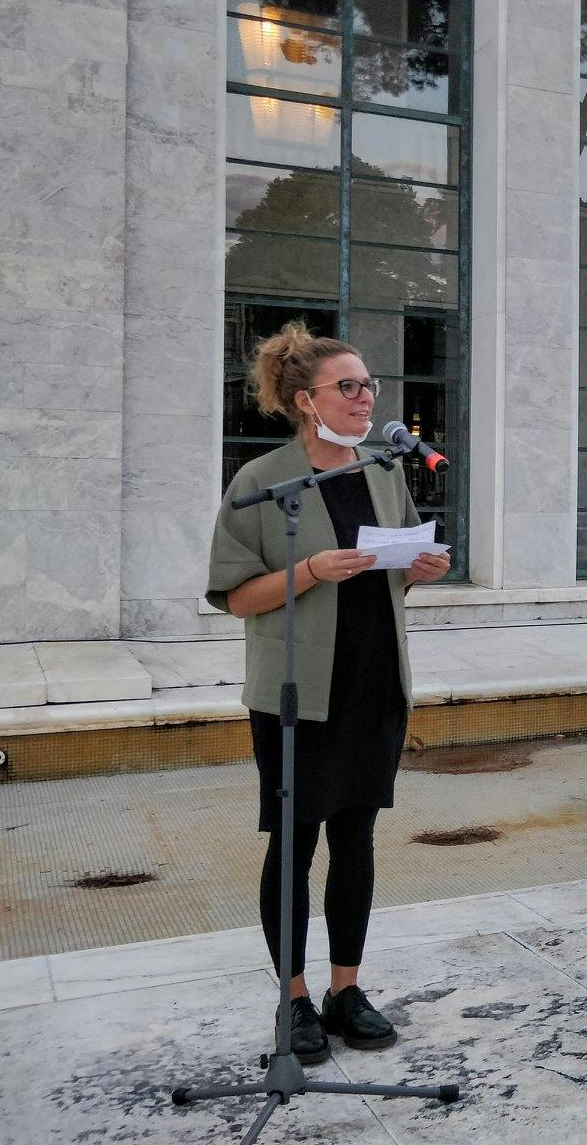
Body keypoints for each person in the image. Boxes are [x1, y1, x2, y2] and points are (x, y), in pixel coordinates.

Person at [207, 322, 451, 1065]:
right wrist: (310, 569)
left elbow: (395, 559)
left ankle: (348, 991)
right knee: (294, 842)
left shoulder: (383, 468)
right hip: (298, 694)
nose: (365, 396)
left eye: (369, 384)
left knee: (356, 837)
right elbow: (237, 596)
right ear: (305, 401)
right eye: (348, 386)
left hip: (375, 680)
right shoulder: (263, 482)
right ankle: (295, 1001)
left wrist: (418, 568)